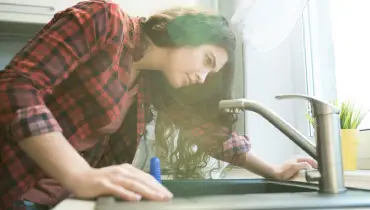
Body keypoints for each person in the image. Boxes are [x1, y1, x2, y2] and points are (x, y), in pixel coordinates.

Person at [0, 0, 317, 209]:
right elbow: (16, 86)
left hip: (46, 201)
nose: (204, 77)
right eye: (207, 60)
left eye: (212, 72)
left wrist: (273, 169)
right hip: (9, 184)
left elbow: (212, 135)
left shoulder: (151, 84)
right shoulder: (105, 21)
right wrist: (79, 174)